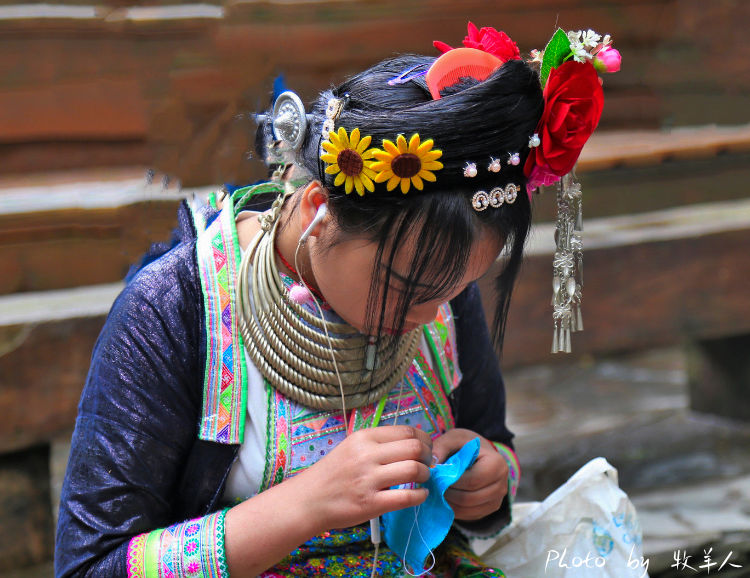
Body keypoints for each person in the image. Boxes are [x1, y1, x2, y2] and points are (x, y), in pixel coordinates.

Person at [55, 22, 614, 577]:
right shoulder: (176, 308)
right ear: (317, 210)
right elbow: (90, 566)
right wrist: (302, 506)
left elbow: (494, 444)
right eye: (406, 292)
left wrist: (489, 481)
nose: (430, 315)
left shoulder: (437, 290)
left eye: (455, 290)